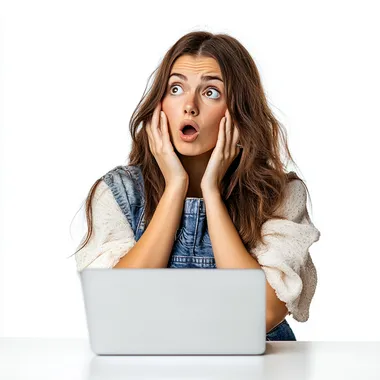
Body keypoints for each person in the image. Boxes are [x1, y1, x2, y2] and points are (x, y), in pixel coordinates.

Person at [69, 31, 321, 341]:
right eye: (176, 89)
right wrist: (176, 185)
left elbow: (261, 314)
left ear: (239, 111)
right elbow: (118, 308)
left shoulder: (280, 196)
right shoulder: (119, 193)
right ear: (160, 106)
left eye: (211, 92)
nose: (189, 106)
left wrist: (211, 192)